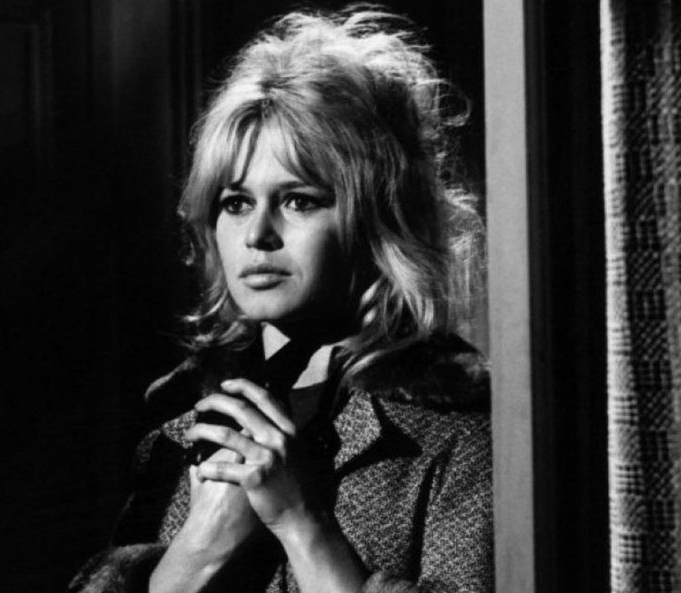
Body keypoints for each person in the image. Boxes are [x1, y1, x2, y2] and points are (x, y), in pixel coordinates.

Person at [69, 6, 491, 593]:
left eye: (299, 200)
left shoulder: (460, 435)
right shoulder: (177, 431)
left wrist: (300, 521)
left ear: (377, 218)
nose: (257, 235)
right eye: (236, 203)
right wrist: (202, 546)